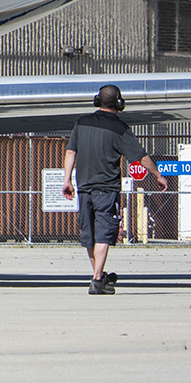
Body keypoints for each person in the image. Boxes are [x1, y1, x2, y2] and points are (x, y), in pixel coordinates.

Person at [62, 84, 167, 294]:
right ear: (119, 104)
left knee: (89, 234)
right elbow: (140, 156)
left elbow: (71, 151)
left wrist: (67, 180)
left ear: (97, 100)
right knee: (103, 233)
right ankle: (96, 279)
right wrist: (158, 175)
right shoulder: (119, 128)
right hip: (106, 190)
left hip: (85, 188)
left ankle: (99, 277)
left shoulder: (81, 123)